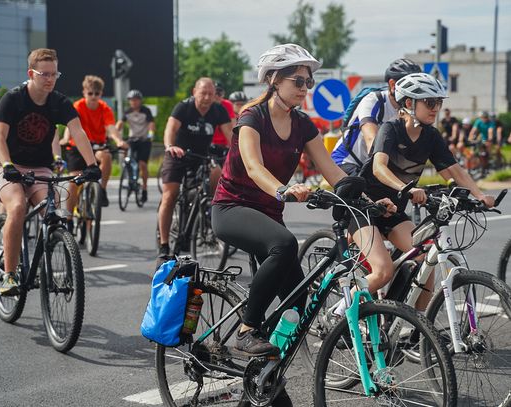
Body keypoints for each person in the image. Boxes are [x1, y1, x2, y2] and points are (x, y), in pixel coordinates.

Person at [211, 44, 393, 406]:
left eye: (309, 82)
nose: (305, 88)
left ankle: (263, 381)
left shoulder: (302, 124)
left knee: (297, 303)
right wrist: (283, 189)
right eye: (298, 80)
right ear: (273, 80)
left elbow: (333, 172)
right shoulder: (252, 118)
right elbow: (253, 167)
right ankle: (247, 329)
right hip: (232, 208)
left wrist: (368, 202)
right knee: (284, 244)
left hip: (268, 214)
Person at [355, 73, 495, 313]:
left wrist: (479, 195)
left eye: (438, 102)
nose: (436, 108)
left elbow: (454, 170)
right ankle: (339, 313)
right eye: (430, 102)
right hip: (366, 208)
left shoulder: (431, 136)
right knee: (383, 272)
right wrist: (406, 188)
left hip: (394, 212)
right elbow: (379, 168)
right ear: (409, 103)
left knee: (424, 258)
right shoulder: (390, 129)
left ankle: (415, 325)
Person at [0, 48, 101, 296]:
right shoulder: (13, 99)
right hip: (7, 165)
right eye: (44, 74)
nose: (50, 79)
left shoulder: (59, 102)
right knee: (17, 206)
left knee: (54, 211)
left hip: (40, 168)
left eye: (54, 74)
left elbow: (78, 131)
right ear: (31, 74)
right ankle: (9, 275)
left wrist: (92, 165)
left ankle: (47, 260)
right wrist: (7, 165)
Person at [157, 78, 233, 256]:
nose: (207, 97)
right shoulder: (184, 107)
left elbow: (230, 135)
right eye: (203, 93)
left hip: (201, 156)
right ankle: (164, 244)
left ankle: (207, 217)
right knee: (170, 196)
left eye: (210, 94)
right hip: (178, 154)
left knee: (217, 175)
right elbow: (170, 129)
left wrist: (237, 154)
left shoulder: (218, 110)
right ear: (194, 92)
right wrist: (170, 146)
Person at [332, 58, 422, 175]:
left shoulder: (410, 109)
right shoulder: (374, 100)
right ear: (393, 85)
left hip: (372, 165)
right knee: (360, 184)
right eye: (409, 86)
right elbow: (371, 140)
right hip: (346, 161)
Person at [61, 75, 127, 214]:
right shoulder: (78, 106)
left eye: (97, 93)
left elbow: (111, 127)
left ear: (101, 94)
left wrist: (118, 141)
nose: (93, 96)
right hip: (77, 147)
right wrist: (66, 138)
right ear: (84, 92)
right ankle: (68, 218)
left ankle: (101, 190)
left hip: (97, 146)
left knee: (106, 156)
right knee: (74, 181)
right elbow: (70, 126)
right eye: (90, 93)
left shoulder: (105, 108)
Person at [115, 89, 155, 203]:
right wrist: (115, 133)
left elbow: (151, 124)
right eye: (132, 100)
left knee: (142, 164)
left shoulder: (146, 111)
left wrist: (150, 135)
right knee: (126, 155)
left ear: (140, 101)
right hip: (132, 139)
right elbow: (120, 124)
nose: (134, 102)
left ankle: (144, 188)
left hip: (144, 140)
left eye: (136, 100)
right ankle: (129, 175)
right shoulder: (127, 112)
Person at [209, 82, 236, 165]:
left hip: (224, 144)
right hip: (209, 143)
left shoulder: (227, 105)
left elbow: (233, 126)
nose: (217, 96)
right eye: (215, 93)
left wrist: (233, 146)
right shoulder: (206, 105)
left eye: (219, 93)